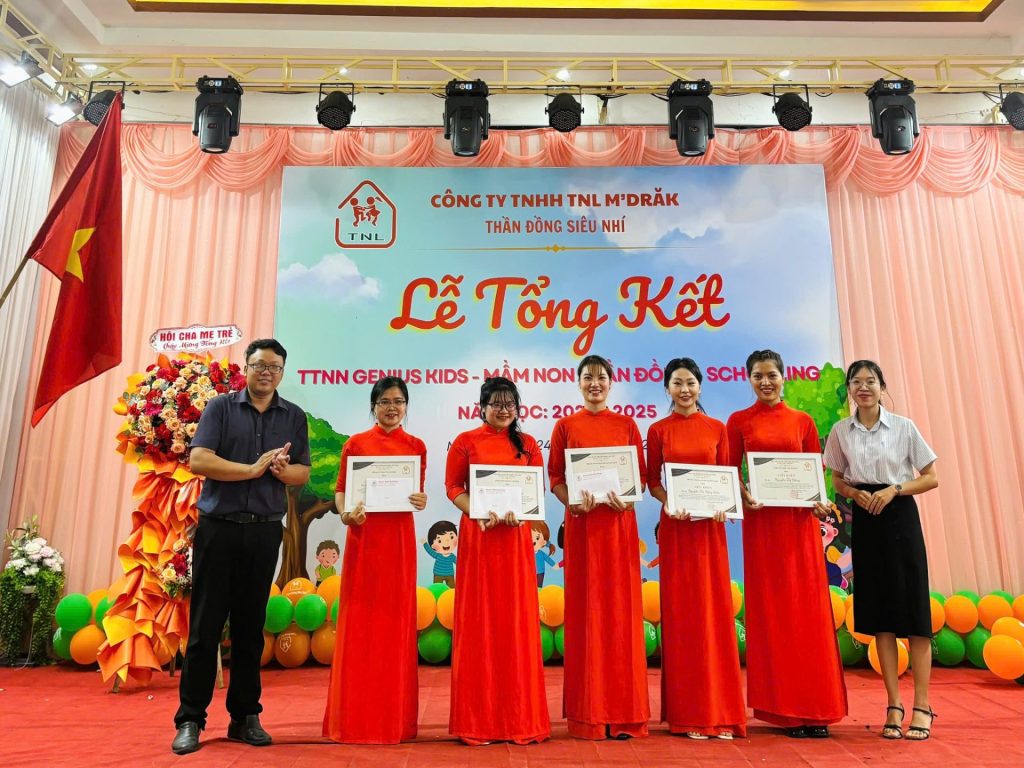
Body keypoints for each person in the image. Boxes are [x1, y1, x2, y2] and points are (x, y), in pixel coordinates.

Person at [172, 338, 311, 755]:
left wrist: (282, 471)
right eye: (259, 365)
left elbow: (302, 474)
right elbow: (199, 460)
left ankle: (245, 716)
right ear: (246, 368)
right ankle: (190, 719)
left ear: (282, 372)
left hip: (265, 532)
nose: (266, 372)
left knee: (251, 629)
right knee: (205, 627)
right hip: (218, 529)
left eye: (274, 366)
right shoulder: (220, 408)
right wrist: (251, 470)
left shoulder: (294, 416)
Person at [725, 349, 847, 738]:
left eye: (772, 375)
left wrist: (819, 501)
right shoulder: (738, 421)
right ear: (749, 379)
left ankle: (817, 707)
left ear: (783, 376)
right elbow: (729, 471)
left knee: (807, 613)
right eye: (758, 376)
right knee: (774, 614)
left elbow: (814, 474)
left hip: (799, 527)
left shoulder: (802, 421)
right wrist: (744, 494)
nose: (766, 382)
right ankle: (785, 710)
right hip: (763, 529)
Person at [823, 360, 938, 741]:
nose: (863, 388)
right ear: (849, 390)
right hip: (866, 521)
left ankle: (922, 705)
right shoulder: (841, 431)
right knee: (881, 615)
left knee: (915, 614)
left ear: (881, 386)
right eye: (856, 382)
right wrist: (853, 493)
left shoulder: (903, 427)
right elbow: (837, 479)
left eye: (870, 381)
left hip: (900, 517)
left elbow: (931, 477)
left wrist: (894, 490)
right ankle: (893, 704)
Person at [548, 355, 650, 740]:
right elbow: (556, 477)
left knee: (621, 614)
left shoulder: (626, 425)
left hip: (619, 530)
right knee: (586, 614)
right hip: (582, 529)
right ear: (578, 383)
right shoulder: (565, 426)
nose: (595, 383)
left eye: (601, 377)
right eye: (588, 377)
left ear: (611, 382)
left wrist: (629, 497)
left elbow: (639, 479)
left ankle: (625, 713)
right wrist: (571, 502)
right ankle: (587, 714)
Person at [444, 376, 550, 745]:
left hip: (515, 541)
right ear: (482, 407)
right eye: (496, 404)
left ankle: (519, 720)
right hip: (480, 538)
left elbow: (535, 493)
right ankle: (479, 722)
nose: (503, 410)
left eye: (510, 404)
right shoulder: (465, 441)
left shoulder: (529, 444)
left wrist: (521, 513)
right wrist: (477, 509)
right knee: (481, 623)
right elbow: (453, 488)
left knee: (515, 623)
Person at [646, 358, 746, 740]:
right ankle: (688, 714)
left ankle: (722, 712)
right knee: (684, 616)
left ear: (700, 386)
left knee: (714, 615)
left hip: (709, 531)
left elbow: (727, 477)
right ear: (667, 389)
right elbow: (652, 482)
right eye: (677, 383)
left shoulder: (717, 428)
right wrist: (668, 501)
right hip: (677, 529)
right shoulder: (658, 430)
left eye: (690, 382)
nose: (684, 389)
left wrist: (725, 505)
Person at [323, 376, 427, 744]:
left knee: (395, 626)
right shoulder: (356, 444)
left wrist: (420, 500)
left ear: (406, 406)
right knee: (361, 624)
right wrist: (346, 514)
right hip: (364, 540)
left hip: (398, 543)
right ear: (374, 406)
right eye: (384, 401)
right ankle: (355, 719)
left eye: (398, 401)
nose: (392, 408)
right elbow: (341, 493)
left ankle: (394, 720)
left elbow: (415, 495)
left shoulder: (416, 446)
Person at [422, 519, 458, 587]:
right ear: (433, 545)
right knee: (437, 587)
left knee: (452, 588)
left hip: (450, 574)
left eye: (451, 537)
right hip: (438, 574)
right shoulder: (438, 555)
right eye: (439, 541)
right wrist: (425, 544)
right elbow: (430, 551)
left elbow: (459, 563)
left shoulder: (452, 557)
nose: (447, 542)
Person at [531, 520, 559, 587]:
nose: (533, 541)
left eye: (537, 538)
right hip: (529, 572)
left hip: (540, 573)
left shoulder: (541, 554)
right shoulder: (527, 554)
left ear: (544, 542)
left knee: (538, 586)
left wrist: (554, 565)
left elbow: (548, 559)